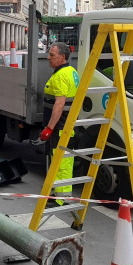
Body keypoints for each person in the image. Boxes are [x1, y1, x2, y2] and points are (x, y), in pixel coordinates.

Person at [39, 42, 80, 206]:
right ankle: (56, 193)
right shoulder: (70, 71)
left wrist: (49, 128)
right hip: (67, 124)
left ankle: (60, 199)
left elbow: (59, 104)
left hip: (61, 126)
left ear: (62, 57)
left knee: (61, 161)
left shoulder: (62, 75)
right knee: (61, 160)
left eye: (52, 55)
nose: (48, 58)